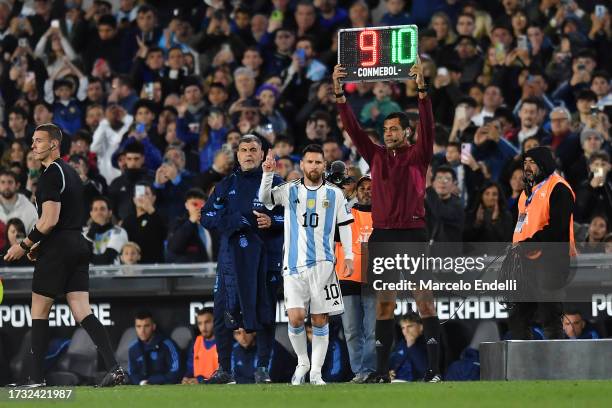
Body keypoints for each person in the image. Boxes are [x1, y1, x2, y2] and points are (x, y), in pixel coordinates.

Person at [334, 59, 442, 383]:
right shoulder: (376, 156)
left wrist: (422, 90)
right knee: (384, 307)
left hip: (412, 234)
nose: (389, 133)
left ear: (406, 131)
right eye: (385, 129)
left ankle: (434, 371)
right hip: (381, 237)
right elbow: (353, 130)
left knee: (424, 302)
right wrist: (340, 94)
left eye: (394, 128)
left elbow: (430, 125)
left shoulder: (419, 154)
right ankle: (381, 372)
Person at [4, 123, 127, 387]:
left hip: (59, 248)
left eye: (39, 141)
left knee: (39, 311)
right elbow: (65, 218)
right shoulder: (70, 172)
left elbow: (49, 220)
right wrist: (41, 245)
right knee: (83, 311)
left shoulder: (49, 174)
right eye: (33, 140)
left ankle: (36, 379)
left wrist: (24, 246)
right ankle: (115, 368)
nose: (33, 145)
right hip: (78, 245)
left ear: (54, 144)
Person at [259, 144, 354, 385]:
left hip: (323, 265)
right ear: (302, 164)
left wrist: (350, 256)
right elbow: (265, 199)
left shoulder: (334, 194)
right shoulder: (290, 189)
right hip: (293, 266)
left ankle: (316, 373)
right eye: (309, 162)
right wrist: (267, 174)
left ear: (324, 165)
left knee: (320, 319)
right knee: (296, 317)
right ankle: (303, 361)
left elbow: (344, 226)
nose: (314, 166)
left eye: (318, 162)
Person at [201, 135, 285, 384]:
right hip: (230, 260)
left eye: (253, 150)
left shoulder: (276, 183)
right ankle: (224, 369)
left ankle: (262, 368)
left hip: (265, 259)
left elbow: (292, 217)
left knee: (266, 312)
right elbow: (206, 216)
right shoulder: (226, 185)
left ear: (262, 155)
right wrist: (232, 220)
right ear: (237, 155)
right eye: (244, 150)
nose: (248, 154)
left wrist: (273, 221)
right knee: (221, 313)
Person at [509, 146, 576, 340]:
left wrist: (528, 243)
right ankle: (525, 365)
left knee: (549, 316)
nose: (527, 167)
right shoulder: (525, 193)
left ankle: (557, 366)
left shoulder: (559, 188)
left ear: (544, 164)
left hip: (551, 261)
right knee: (518, 316)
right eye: (525, 163)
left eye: (532, 162)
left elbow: (558, 228)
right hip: (524, 262)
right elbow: (521, 226)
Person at [334, 175, 376, 383]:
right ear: (356, 191)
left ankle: (368, 370)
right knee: (351, 330)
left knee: (372, 329)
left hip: (375, 279)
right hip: (347, 277)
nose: (367, 191)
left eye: (371, 188)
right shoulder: (344, 214)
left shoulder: (384, 217)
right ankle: (359, 372)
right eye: (363, 188)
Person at [127, 310, 182, 385]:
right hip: (142, 389)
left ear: (153, 326)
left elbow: (175, 370)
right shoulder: (133, 349)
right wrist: (142, 382)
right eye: (138, 326)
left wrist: (153, 381)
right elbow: (132, 374)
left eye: (146, 326)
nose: (142, 331)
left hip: (165, 388)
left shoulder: (167, 345)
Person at [83, 196, 128, 265]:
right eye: (95, 209)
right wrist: (90, 234)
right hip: (88, 275)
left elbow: (106, 260)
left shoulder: (118, 232)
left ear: (110, 213)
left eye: (102, 209)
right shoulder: (84, 233)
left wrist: (90, 235)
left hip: (112, 275)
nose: (99, 212)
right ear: (91, 213)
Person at [182, 308, 219, 384]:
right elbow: (190, 368)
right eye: (200, 323)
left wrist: (202, 381)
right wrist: (186, 378)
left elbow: (228, 375)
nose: (203, 327)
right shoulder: (196, 342)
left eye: (207, 322)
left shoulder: (224, 343)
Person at [389, 312, 428, 382]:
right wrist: (389, 374)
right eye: (403, 328)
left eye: (410, 326)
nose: (406, 331)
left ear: (421, 327)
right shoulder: (401, 344)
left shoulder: (429, 344)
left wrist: (411, 345)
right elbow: (392, 365)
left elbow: (423, 371)